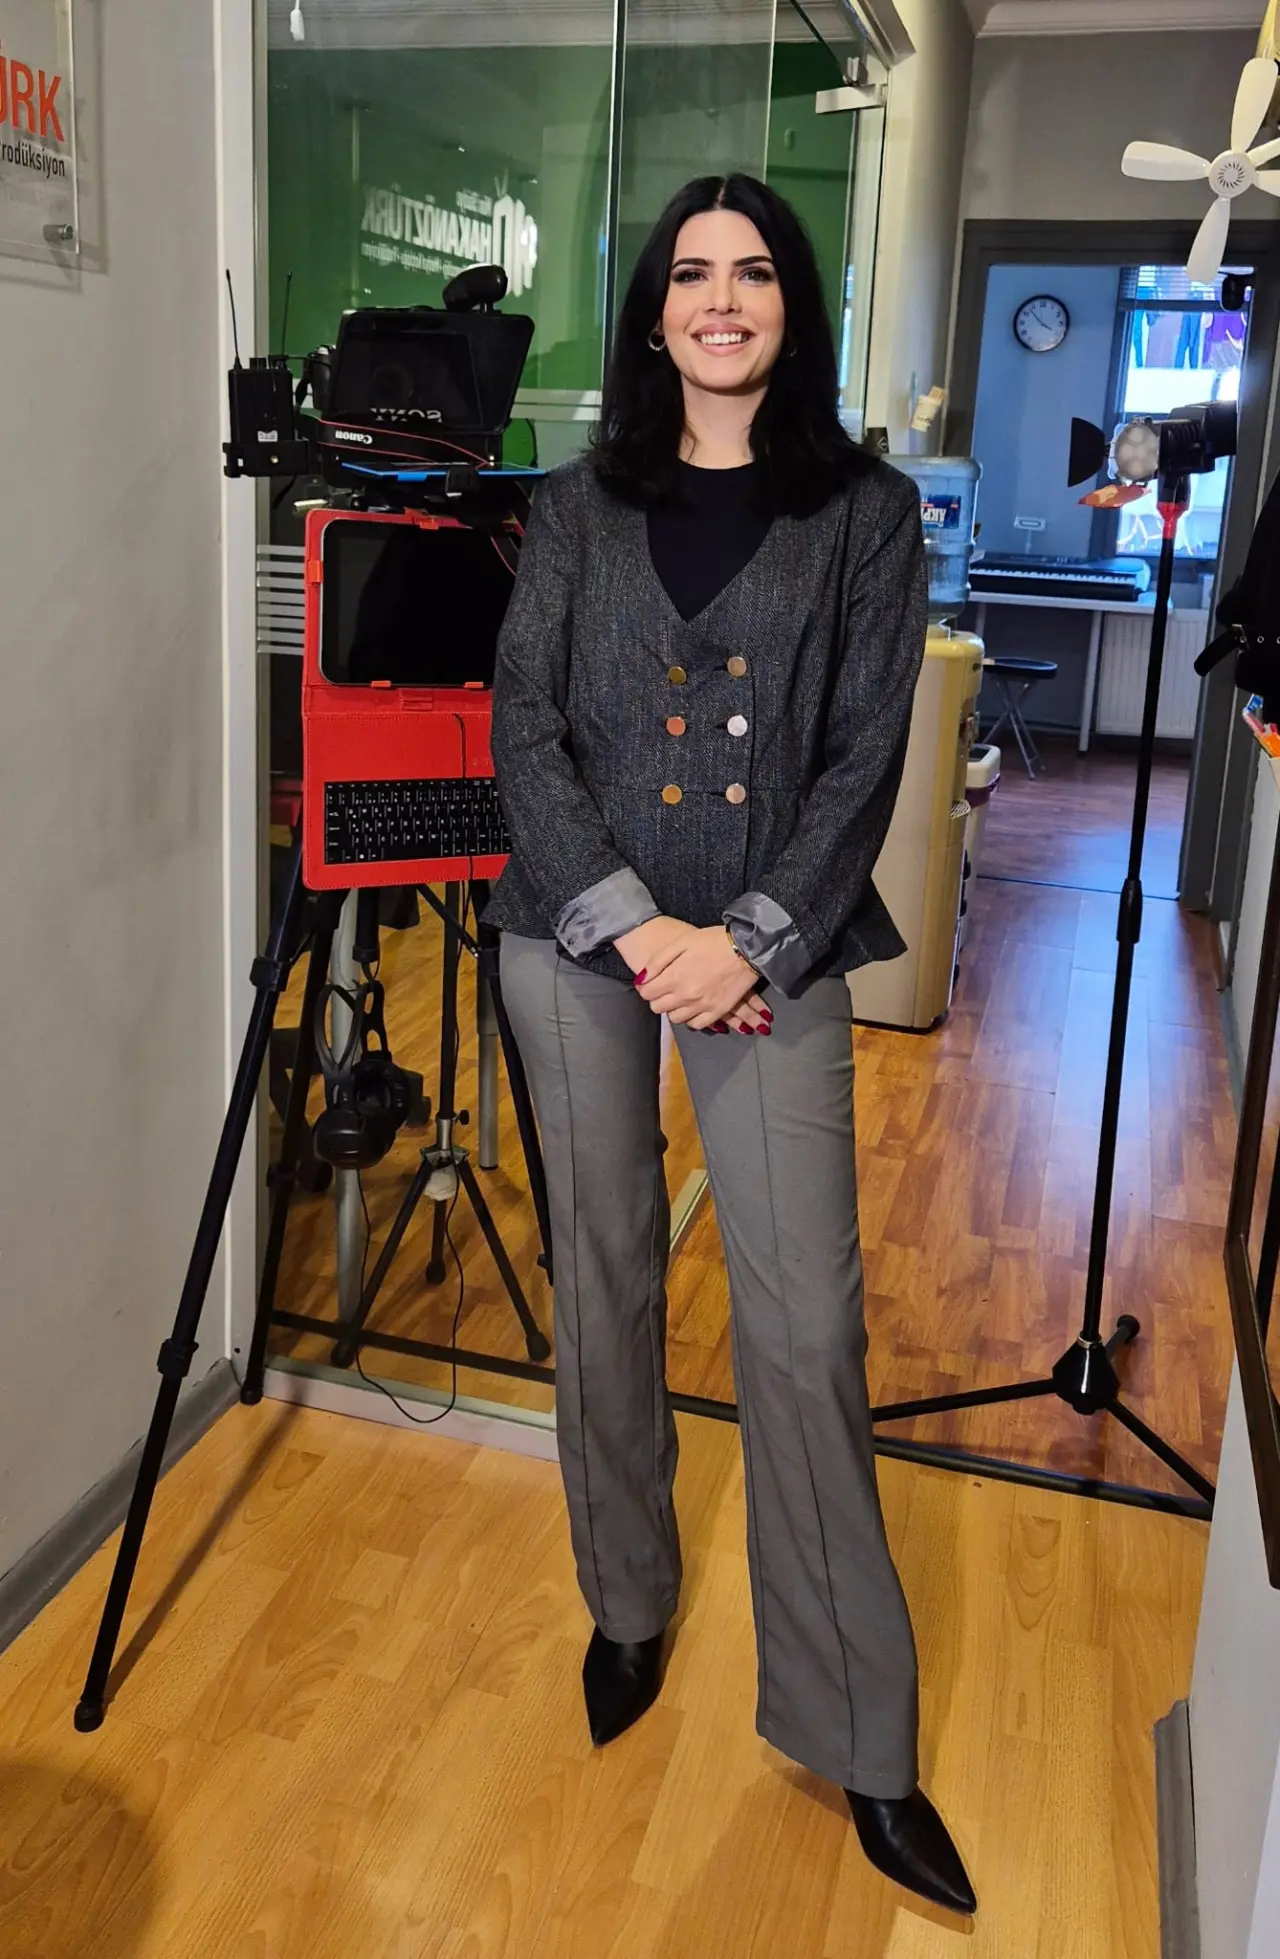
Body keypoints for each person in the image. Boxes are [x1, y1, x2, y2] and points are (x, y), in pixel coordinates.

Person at [485, 174, 975, 1919]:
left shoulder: (866, 515)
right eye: (690, 273)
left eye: (752, 271)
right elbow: (524, 729)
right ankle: (627, 1599)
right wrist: (637, 926)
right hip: (577, 938)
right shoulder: (572, 507)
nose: (719, 298)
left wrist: (744, 939)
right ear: (652, 310)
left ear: (792, 304)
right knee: (607, 1270)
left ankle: (860, 1737)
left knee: (806, 1329)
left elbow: (863, 756)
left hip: (776, 946)